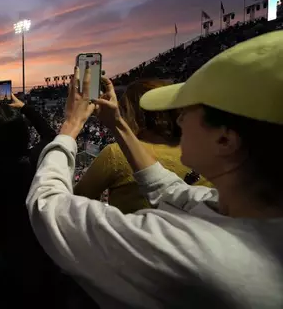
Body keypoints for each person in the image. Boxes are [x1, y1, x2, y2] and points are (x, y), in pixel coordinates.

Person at [27, 33, 283, 308]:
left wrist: (71, 125)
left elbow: (48, 207)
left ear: (225, 139)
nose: (179, 118)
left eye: (188, 110)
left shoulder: (188, 250)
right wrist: (117, 124)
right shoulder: (249, 217)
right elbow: (172, 193)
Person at [0, 93, 94, 308]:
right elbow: (52, 137)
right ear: (23, 134)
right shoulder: (36, 160)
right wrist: (25, 108)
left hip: (0, 249)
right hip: (38, 249)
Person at [74, 79, 212, 213]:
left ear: (132, 113)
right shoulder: (206, 151)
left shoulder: (116, 154)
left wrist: (72, 124)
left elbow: (75, 201)